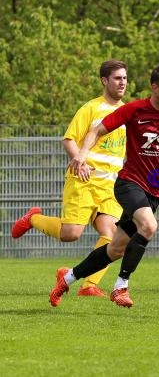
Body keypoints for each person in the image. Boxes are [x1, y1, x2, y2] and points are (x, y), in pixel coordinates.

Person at [48, 63, 159, 308]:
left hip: (154, 190)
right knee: (149, 225)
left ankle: (66, 278)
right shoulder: (134, 110)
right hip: (129, 183)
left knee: (116, 249)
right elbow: (97, 130)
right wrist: (81, 155)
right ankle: (121, 287)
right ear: (155, 88)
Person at [11, 59, 128, 297]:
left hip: (110, 185)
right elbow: (69, 139)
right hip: (84, 180)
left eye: (125, 78)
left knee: (113, 235)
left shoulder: (127, 112)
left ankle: (89, 286)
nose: (122, 82)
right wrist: (80, 160)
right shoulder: (91, 108)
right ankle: (33, 218)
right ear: (105, 81)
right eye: (117, 78)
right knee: (71, 234)